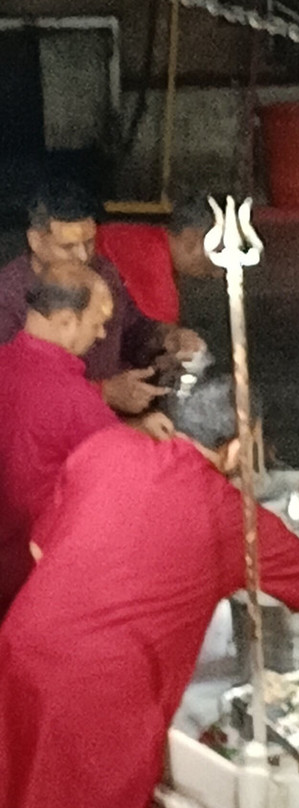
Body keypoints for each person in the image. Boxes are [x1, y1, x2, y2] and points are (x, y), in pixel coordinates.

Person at [0, 376, 299, 808]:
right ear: (236, 446)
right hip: (100, 687)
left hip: (19, 647)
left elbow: (43, 548)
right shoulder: (229, 518)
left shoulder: (104, 448)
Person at [0, 261, 173, 621]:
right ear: (65, 320)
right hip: (36, 577)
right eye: (96, 324)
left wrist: (133, 424)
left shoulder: (7, 362)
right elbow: (131, 469)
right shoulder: (73, 400)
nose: (99, 336)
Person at [0, 179, 205, 414]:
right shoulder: (8, 298)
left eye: (88, 243)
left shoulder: (103, 273)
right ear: (35, 240)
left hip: (108, 419)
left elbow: (132, 327)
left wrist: (166, 337)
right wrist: (104, 392)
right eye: (67, 247)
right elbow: (14, 394)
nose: (81, 256)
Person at [95, 194, 218, 324]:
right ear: (191, 239)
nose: (217, 272)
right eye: (219, 250)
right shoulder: (157, 274)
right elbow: (157, 336)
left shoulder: (139, 234)